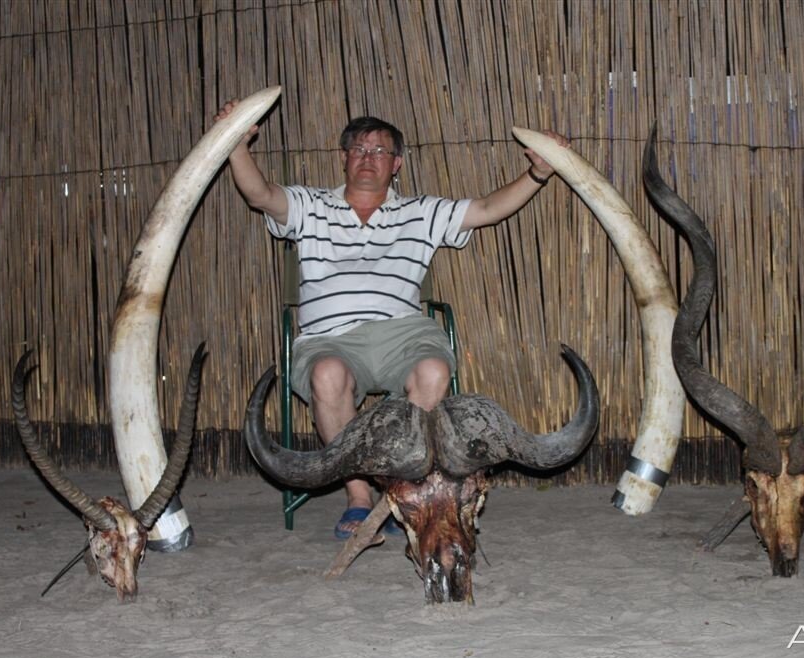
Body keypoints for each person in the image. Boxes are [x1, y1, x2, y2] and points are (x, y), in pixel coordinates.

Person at [216, 100, 568, 538]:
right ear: (344, 158)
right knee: (327, 375)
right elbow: (259, 194)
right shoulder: (309, 205)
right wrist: (235, 144)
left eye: (380, 151)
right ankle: (360, 499)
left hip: (402, 334)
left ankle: (404, 490)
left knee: (434, 368)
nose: (368, 158)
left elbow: (486, 209)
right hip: (330, 338)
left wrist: (538, 173)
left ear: (396, 163)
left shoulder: (421, 212)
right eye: (359, 149)